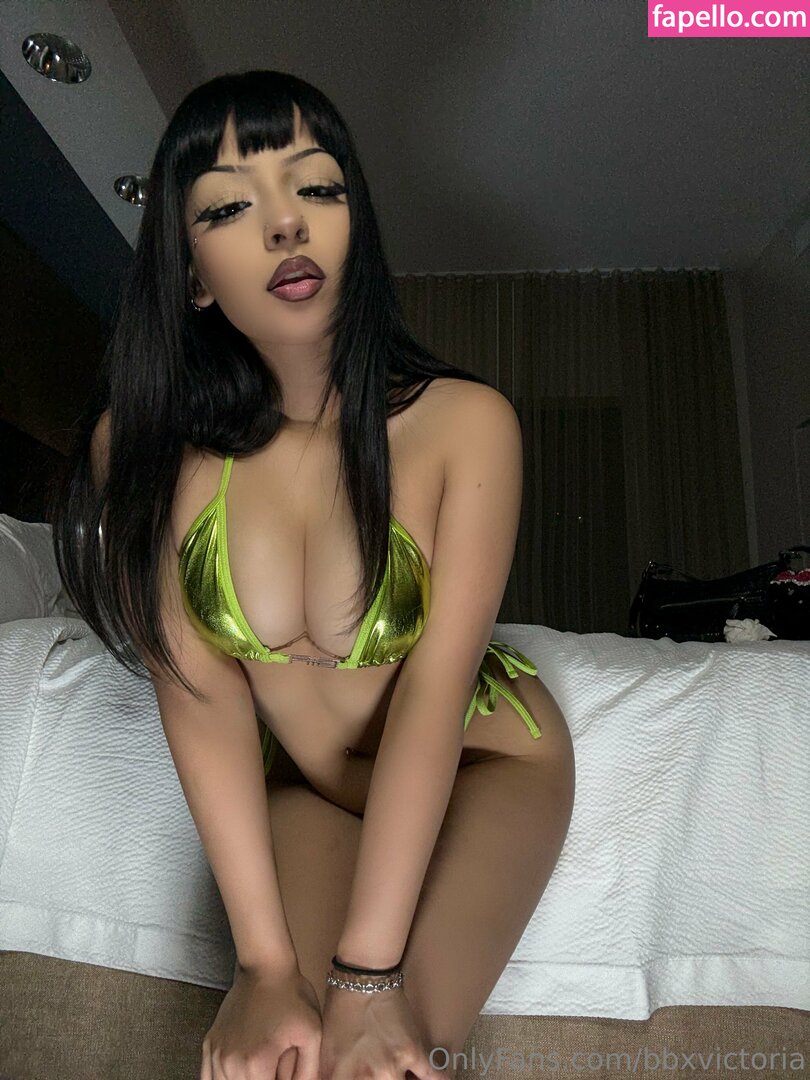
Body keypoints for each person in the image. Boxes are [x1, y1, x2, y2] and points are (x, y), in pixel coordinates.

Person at [52, 70, 576, 1080]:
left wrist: (369, 978)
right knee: (279, 1058)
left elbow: (432, 695)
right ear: (193, 276)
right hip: (301, 785)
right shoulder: (146, 446)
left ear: (353, 227)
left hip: (488, 763)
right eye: (228, 207)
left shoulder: (465, 427)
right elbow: (196, 691)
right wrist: (261, 965)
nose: (285, 224)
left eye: (316, 188)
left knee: (375, 1060)